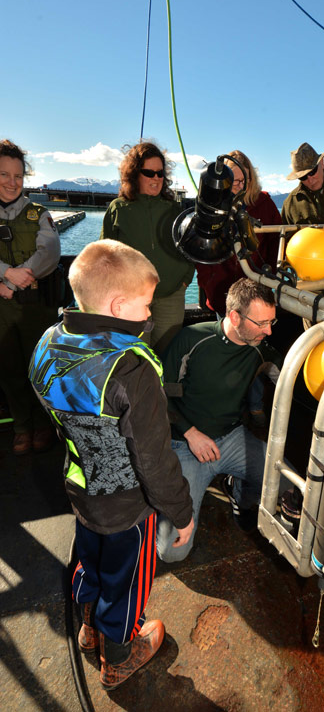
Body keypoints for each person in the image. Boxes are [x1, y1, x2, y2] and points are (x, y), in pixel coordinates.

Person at [29, 240, 194, 690]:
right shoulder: (132, 369)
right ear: (119, 304)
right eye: (145, 305)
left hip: (80, 485)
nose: (149, 315)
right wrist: (181, 512)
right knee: (126, 582)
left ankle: (88, 627)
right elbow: (154, 460)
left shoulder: (48, 341)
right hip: (127, 506)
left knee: (89, 558)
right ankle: (119, 654)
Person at [156, 277, 282, 563]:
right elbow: (159, 398)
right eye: (261, 323)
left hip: (232, 437)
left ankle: (241, 497)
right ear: (234, 316)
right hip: (184, 443)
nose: (269, 331)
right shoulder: (191, 340)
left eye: (271, 322)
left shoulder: (260, 347)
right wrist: (190, 432)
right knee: (171, 552)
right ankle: (157, 503)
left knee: (284, 481)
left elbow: (298, 382)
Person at [101, 141, 195, 356]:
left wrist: (185, 280)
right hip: (131, 299)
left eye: (160, 173)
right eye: (148, 173)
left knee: (167, 355)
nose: (156, 179)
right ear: (134, 174)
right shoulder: (118, 208)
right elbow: (104, 256)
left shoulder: (174, 209)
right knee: (135, 357)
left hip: (171, 295)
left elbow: (189, 247)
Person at [0, 139, 61, 455]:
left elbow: (49, 252)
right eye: (4, 175)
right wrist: (5, 274)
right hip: (3, 309)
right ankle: (22, 427)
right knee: (9, 371)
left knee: (40, 369)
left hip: (36, 308)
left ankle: (42, 426)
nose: (12, 183)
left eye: (18, 176)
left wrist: (15, 279)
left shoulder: (39, 213)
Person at [196, 150, 282, 317]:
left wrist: (269, 277)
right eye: (235, 181)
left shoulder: (265, 204)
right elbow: (201, 251)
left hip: (257, 293)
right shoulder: (211, 208)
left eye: (245, 180)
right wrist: (208, 282)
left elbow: (276, 243)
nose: (240, 186)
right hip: (221, 293)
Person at [281, 142, 324, 225]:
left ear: (321, 163)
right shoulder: (290, 203)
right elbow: (286, 235)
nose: (310, 179)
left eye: (312, 172)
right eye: (303, 177)